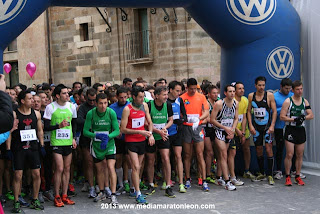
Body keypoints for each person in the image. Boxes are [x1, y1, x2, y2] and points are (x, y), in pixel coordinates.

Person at [7, 90, 45, 212]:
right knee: (18, 175)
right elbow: (9, 133)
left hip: (33, 147)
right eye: (30, 99)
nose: (33, 101)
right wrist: (8, 149)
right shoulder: (14, 114)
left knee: (36, 174)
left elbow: (40, 130)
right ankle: (16, 201)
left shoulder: (36, 114)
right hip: (19, 148)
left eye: (33, 99)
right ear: (22, 101)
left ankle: (35, 199)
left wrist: (42, 145)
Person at [43, 84, 77, 207]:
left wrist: (73, 138)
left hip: (68, 141)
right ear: (57, 95)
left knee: (67, 169)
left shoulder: (71, 106)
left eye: (67, 93)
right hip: (56, 142)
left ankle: (64, 194)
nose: (67, 95)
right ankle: (56, 195)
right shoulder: (50, 107)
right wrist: (58, 126)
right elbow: (46, 126)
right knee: (59, 168)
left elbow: (74, 123)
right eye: (64, 93)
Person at [83, 93, 120, 204]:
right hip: (96, 145)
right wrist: (96, 135)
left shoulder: (111, 112)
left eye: (105, 103)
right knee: (99, 169)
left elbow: (117, 131)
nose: (103, 106)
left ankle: (113, 194)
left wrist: (108, 137)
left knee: (110, 167)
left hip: (109, 143)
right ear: (96, 103)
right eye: (100, 103)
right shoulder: (91, 113)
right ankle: (101, 192)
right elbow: (85, 131)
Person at [120, 86, 155, 204]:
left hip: (142, 140)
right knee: (135, 166)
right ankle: (138, 193)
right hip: (131, 141)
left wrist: (150, 134)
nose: (142, 99)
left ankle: (133, 187)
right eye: (140, 97)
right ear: (133, 97)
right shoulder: (127, 109)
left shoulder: (144, 106)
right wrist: (139, 131)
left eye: (143, 97)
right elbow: (123, 129)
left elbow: (150, 122)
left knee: (138, 166)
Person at [280, 80, 313, 186]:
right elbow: (282, 116)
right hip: (290, 129)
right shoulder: (288, 101)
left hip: (300, 130)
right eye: (297, 89)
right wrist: (293, 120)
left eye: (301, 89)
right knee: (290, 154)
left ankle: (297, 176)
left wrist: (303, 117)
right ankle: (288, 176)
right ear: (293, 90)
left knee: (299, 154)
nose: (300, 91)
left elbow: (311, 115)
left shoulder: (305, 101)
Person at [180, 78, 209, 191]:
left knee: (200, 154)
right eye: (191, 89)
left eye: (194, 88)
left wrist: (199, 119)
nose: (193, 91)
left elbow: (206, 112)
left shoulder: (201, 97)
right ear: (187, 87)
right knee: (187, 154)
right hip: (186, 127)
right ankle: (187, 178)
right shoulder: (182, 98)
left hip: (198, 127)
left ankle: (204, 179)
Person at [247, 76, 277, 185]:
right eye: (259, 85)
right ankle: (261, 172)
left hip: (267, 128)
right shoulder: (251, 96)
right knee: (258, 149)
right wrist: (250, 125)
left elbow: (274, 111)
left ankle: (270, 174)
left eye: (263, 85)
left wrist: (272, 126)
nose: (261, 87)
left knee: (269, 149)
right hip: (256, 128)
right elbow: (248, 111)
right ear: (255, 85)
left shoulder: (269, 96)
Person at [146, 86, 174, 197]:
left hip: (163, 134)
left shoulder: (168, 105)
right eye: (164, 95)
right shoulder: (149, 105)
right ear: (156, 96)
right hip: (152, 135)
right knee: (151, 160)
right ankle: (151, 184)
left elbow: (171, 120)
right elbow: (146, 122)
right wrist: (158, 131)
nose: (166, 97)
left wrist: (165, 128)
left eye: (167, 94)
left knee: (166, 158)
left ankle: (168, 185)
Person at [210, 85, 239, 191]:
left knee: (221, 156)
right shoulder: (219, 104)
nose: (232, 93)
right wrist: (225, 128)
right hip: (219, 132)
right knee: (223, 155)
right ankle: (227, 181)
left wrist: (232, 129)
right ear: (225, 93)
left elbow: (236, 118)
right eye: (230, 91)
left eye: (233, 91)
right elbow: (212, 120)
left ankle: (218, 177)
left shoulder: (236, 103)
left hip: (229, 132)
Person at [167, 81, 187, 193]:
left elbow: (185, 115)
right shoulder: (165, 101)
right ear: (170, 90)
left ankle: (181, 183)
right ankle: (167, 180)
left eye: (180, 91)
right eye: (177, 91)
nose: (179, 93)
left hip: (177, 131)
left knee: (178, 156)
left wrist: (182, 121)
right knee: (166, 157)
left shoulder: (179, 100)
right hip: (166, 132)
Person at [109, 87, 130, 195]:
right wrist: (116, 129)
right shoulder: (112, 107)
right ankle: (120, 183)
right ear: (117, 97)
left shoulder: (130, 105)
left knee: (129, 159)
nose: (123, 99)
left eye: (125, 97)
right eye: (121, 97)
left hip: (129, 137)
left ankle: (127, 182)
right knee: (119, 159)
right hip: (118, 138)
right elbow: (110, 122)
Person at [77, 88, 97, 198]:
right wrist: (91, 122)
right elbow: (79, 120)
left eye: (94, 100)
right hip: (86, 138)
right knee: (89, 162)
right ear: (86, 97)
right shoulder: (83, 107)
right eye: (90, 100)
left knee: (98, 163)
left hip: (97, 138)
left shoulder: (99, 106)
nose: (92, 102)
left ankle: (99, 184)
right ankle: (91, 186)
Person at [233, 82, 255, 181]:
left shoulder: (245, 100)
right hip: (232, 130)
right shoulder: (232, 101)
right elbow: (233, 118)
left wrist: (242, 132)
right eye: (239, 89)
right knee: (232, 153)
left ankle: (247, 171)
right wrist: (236, 130)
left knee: (246, 149)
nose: (241, 90)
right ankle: (231, 173)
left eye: (243, 88)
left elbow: (244, 117)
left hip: (243, 129)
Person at [273, 78, 294, 180]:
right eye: (286, 88)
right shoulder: (275, 96)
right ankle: (278, 170)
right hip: (279, 126)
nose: (288, 91)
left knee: (292, 150)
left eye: (290, 89)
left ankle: (293, 170)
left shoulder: (292, 96)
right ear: (281, 87)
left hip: (291, 127)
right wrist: (283, 108)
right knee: (280, 148)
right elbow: (272, 111)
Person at [204, 85, 219, 184]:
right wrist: (216, 122)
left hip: (216, 129)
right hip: (207, 129)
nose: (216, 95)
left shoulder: (218, 102)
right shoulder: (206, 103)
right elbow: (207, 117)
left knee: (216, 152)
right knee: (209, 152)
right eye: (214, 93)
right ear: (209, 94)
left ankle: (216, 172)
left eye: (217, 93)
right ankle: (207, 174)